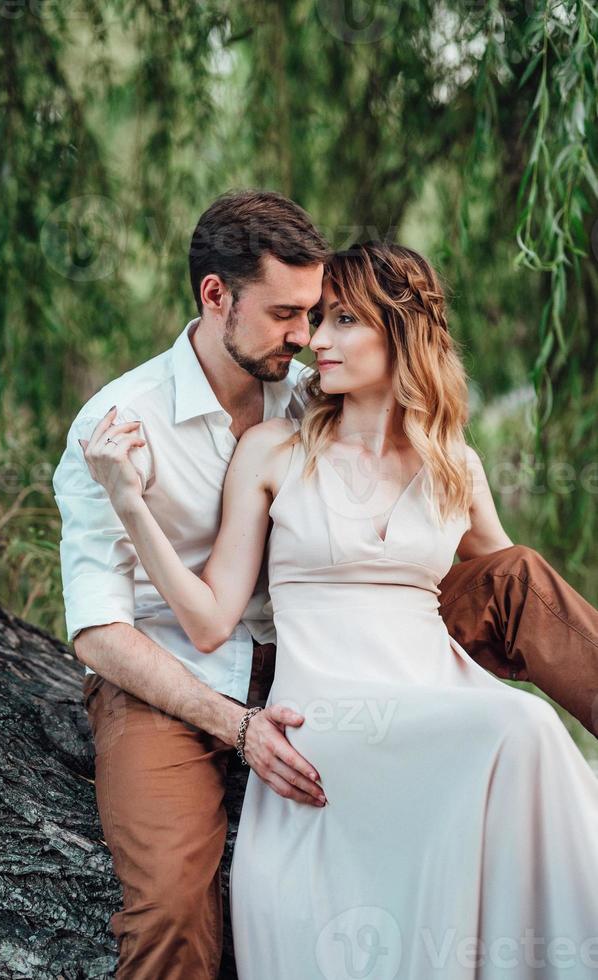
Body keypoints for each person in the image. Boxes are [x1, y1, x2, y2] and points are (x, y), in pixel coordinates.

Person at [55, 191, 598, 980]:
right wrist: (239, 727)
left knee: (515, 576)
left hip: (335, 633)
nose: (308, 338)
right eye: (291, 315)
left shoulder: (311, 387)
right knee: (170, 909)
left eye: (324, 315)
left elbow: (397, 404)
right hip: (174, 668)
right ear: (217, 297)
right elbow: (101, 631)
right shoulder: (118, 423)